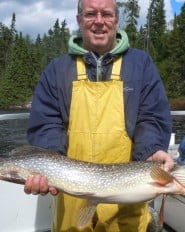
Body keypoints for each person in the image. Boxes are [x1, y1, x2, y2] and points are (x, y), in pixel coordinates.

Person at [25, 0, 174, 231]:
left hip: (127, 196)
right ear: (79, 20)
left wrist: (152, 148)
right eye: (90, 14)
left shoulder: (141, 64)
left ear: (116, 20)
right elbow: (46, 123)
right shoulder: (57, 69)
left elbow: (151, 117)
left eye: (106, 14)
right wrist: (47, 164)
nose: (98, 21)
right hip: (70, 192)